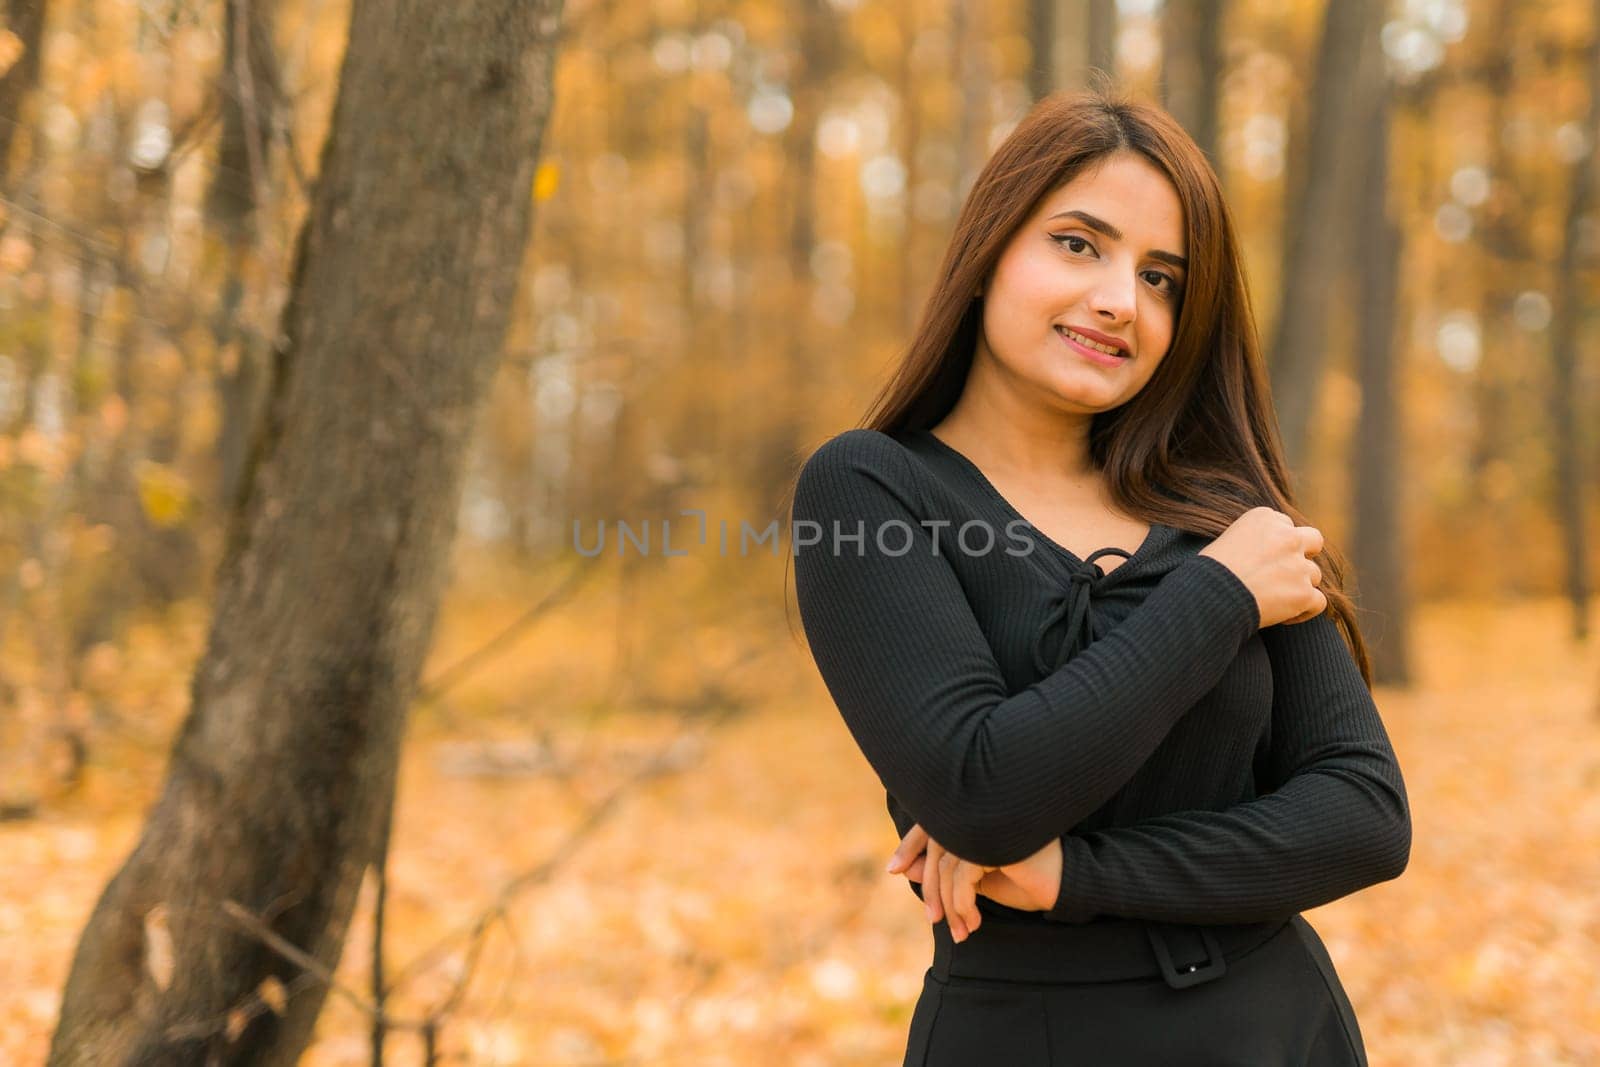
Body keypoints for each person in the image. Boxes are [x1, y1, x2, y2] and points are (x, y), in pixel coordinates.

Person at [785, 88, 1411, 1065]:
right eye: (1079, 243)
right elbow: (983, 792)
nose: (1122, 299)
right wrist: (1216, 598)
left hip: (1272, 1026)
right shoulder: (871, 490)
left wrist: (1078, 871)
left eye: (1162, 277)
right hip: (1022, 1034)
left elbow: (1364, 817)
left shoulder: (1226, 509)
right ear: (989, 249)